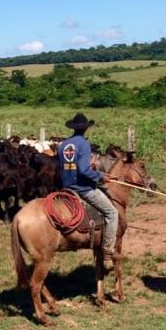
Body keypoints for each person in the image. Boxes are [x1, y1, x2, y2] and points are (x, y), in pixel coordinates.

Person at [57, 112, 120, 265]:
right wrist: (100, 176)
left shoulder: (63, 144)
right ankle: (107, 252)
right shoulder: (83, 144)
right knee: (112, 213)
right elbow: (84, 170)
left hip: (66, 186)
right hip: (82, 187)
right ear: (86, 128)